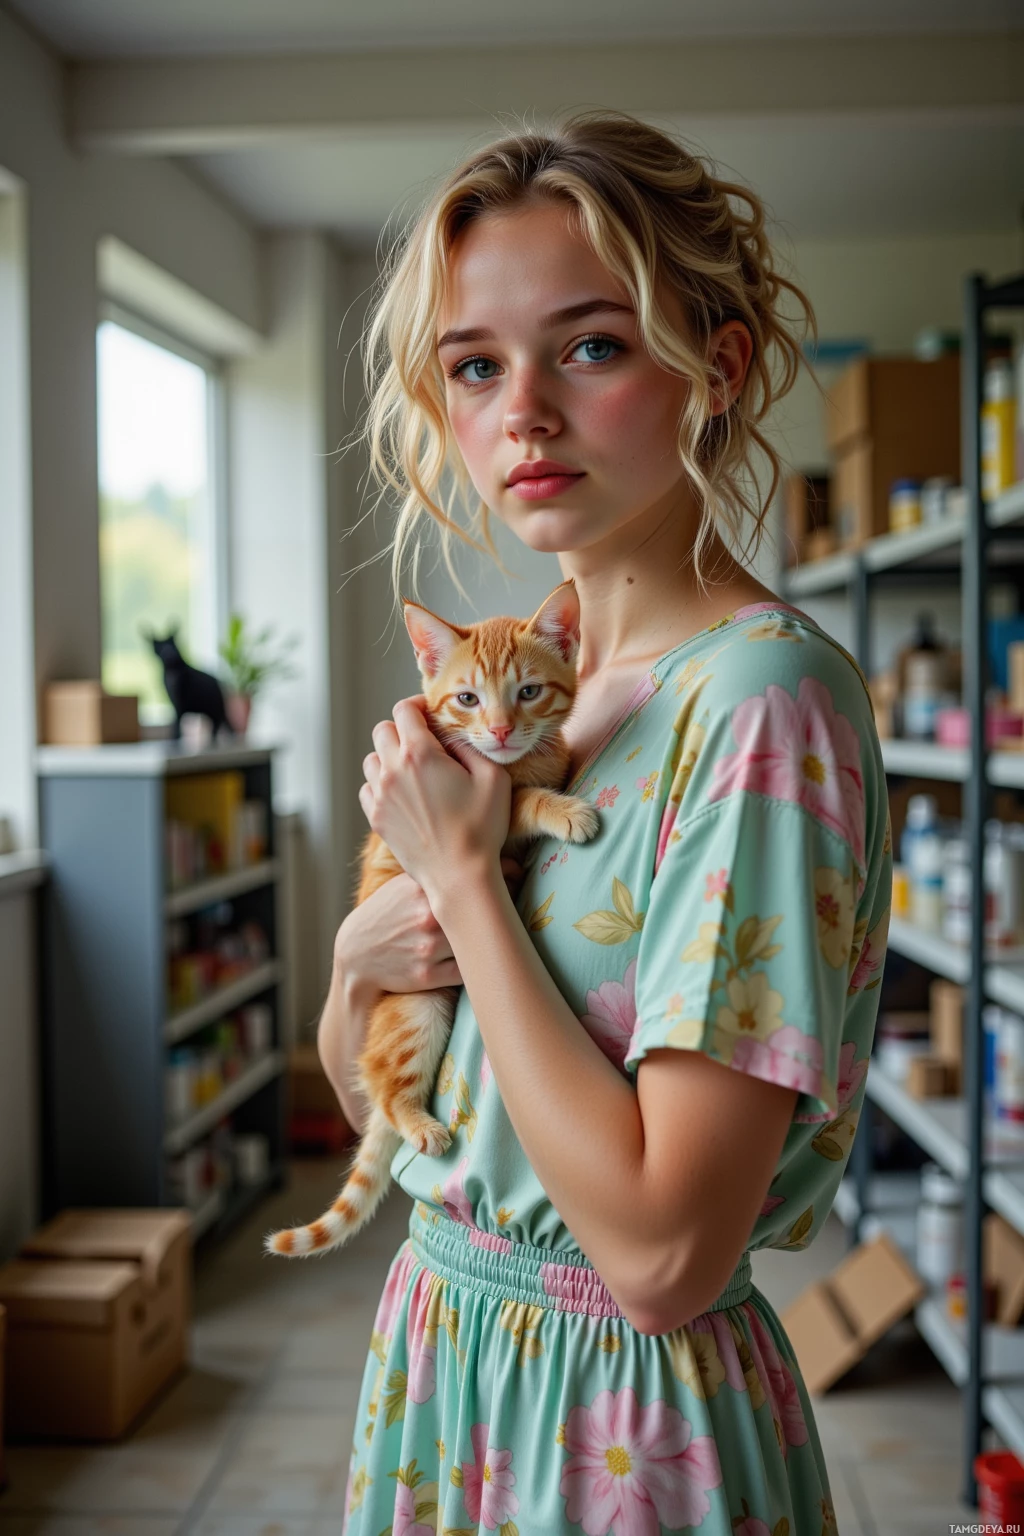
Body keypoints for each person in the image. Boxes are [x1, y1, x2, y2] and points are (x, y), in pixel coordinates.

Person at [321, 112, 891, 1535]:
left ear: (718, 368)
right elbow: (395, 1120)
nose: (521, 411)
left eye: (588, 345)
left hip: (617, 1425)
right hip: (444, 1358)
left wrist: (464, 881)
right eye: (475, 364)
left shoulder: (759, 703)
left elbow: (660, 1259)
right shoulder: (529, 714)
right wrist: (351, 968)